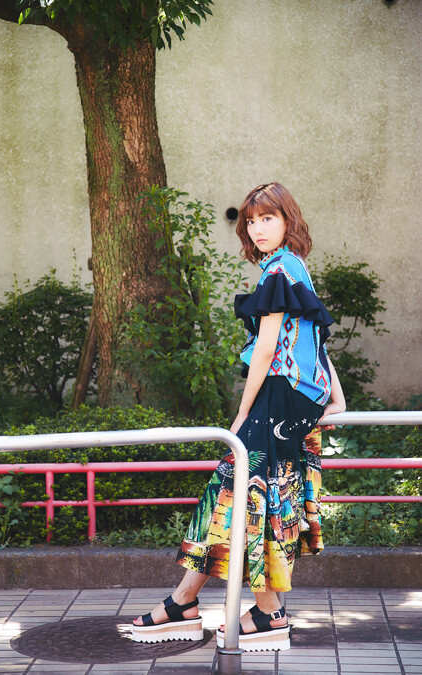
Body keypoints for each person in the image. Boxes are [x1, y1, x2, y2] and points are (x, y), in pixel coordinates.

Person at [132, 182, 346, 651]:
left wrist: (241, 413)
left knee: (245, 497)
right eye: (251, 221)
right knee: (236, 495)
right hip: (294, 399)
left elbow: (267, 349)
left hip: (276, 398)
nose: (257, 228)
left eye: (268, 218)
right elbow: (316, 338)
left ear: (288, 220)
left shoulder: (280, 270)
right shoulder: (292, 267)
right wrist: (335, 399)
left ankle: (264, 612)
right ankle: (187, 602)